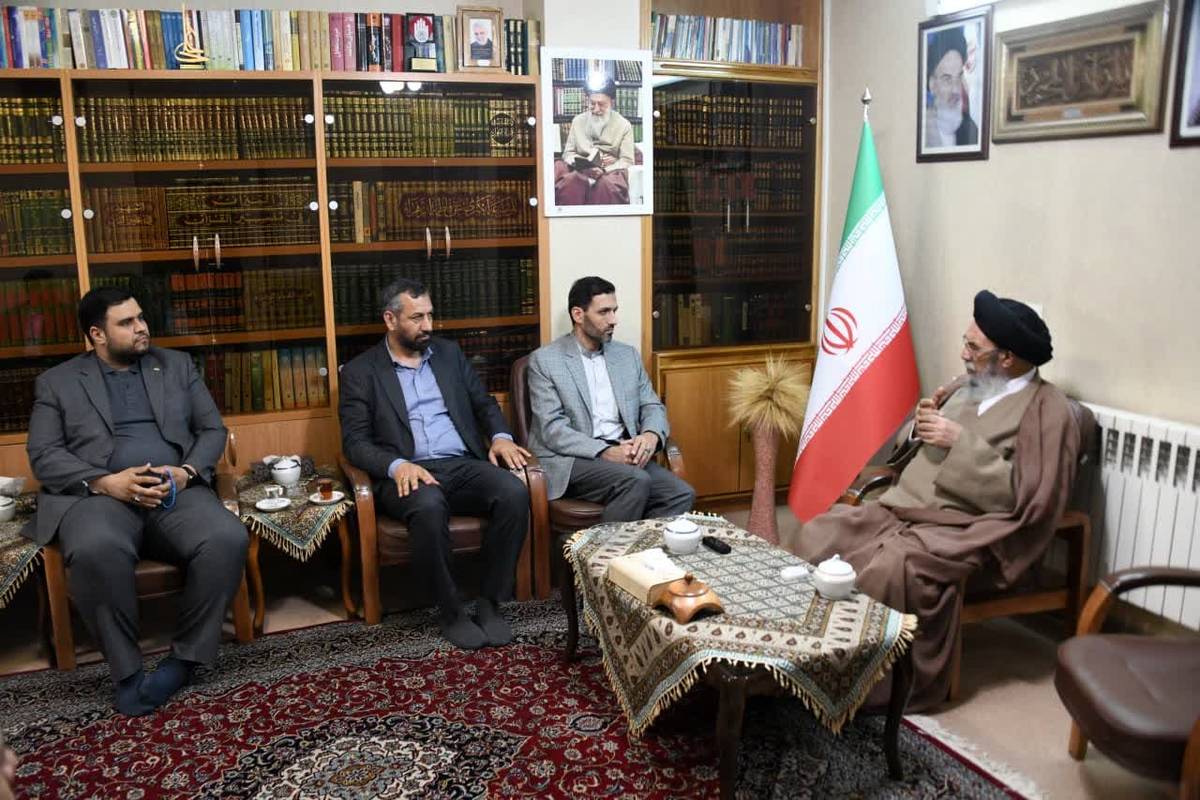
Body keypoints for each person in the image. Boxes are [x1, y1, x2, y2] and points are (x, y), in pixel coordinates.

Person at [783, 290, 1090, 709]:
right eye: (966, 342)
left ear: (1007, 358)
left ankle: (856, 681)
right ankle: (799, 651)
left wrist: (961, 442)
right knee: (819, 532)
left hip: (961, 523)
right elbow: (910, 450)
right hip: (900, 506)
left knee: (887, 570)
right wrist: (917, 428)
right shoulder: (967, 387)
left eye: (974, 348)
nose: (963, 354)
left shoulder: (1047, 411)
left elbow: (1032, 495)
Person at [24, 286, 248, 716]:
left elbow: (212, 430)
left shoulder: (176, 365)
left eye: (141, 317)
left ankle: (184, 660)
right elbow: (44, 454)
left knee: (226, 537)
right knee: (96, 549)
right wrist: (106, 482)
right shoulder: (58, 382)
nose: (141, 327)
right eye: (126, 323)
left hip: (172, 490)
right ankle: (127, 673)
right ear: (97, 334)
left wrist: (186, 472)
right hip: (99, 497)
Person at [338, 278, 531, 650]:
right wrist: (397, 465)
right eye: (417, 318)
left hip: (460, 463)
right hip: (406, 473)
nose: (428, 325)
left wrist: (501, 437)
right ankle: (451, 611)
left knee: (512, 491)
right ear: (390, 319)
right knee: (428, 505)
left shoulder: (448, 354)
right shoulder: (361, 372)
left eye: (429, 315)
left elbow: (483, 403)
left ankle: (490, 602)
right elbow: (355, 443)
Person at [526, 277, 695, 522]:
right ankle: (607, 549)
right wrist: (604, 451)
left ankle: (642, 546)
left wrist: (650, 436)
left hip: (626, 452)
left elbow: (651, 405)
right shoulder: (545, 361)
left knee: (681, 493)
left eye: (614, 310)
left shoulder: (627, 356)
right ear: (578, 314)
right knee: (635, 481)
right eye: (604, 312)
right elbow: (552, 430)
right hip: (572, 459)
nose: (613, 320)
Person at [554, 78, 635, 205]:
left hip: (610, 171)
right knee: (571, 183)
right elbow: (568, 153)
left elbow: (627, 161)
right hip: (579, 170)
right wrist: (581, 163)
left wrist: (606, 169)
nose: (596, 109)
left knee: (606, 185)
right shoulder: (578, 121)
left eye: (601, 104)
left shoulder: (624, 125)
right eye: (592, 103)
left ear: (612, 102)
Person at [924, 26, 979, 149]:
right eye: (947, 79)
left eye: (958, 77)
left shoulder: (971, 130)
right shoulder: (923, 130)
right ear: (932, 85)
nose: (955, 89)